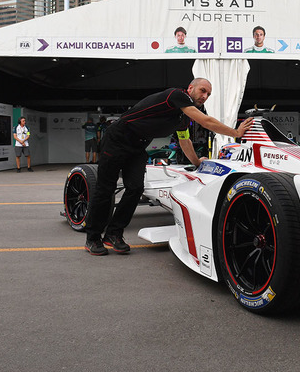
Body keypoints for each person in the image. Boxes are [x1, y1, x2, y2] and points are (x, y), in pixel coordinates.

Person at [83, 78, 254, 256]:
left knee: (135, 188)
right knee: (106, 189)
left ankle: (113, 234)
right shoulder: (177, 95)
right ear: (190, 88)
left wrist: (197, 162)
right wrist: (235, 132)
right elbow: (206, 121)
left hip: (137, 146)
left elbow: (184, 140)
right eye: (202, 91)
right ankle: (93, 237)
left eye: (208, 94)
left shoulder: (182, 117)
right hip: (116, 140)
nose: (205, 96)